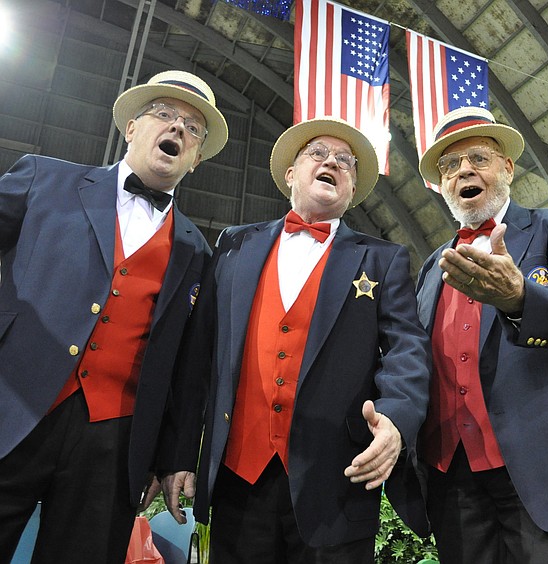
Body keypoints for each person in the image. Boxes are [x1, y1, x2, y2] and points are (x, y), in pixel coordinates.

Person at [157, 116, 431, 563]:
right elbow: (197, 361)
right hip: (237, 481)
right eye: (318, 154)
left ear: (352, 187)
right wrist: (180, 453)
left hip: (337, 484)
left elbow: (407, 349)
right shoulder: (233, 246)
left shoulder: (383, 259)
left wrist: (397, 419)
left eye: (345, 161)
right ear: (290, 173)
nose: (333, 163)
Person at [0, 70, 227, 562]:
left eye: (192, 127)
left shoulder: (198, 251)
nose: (178, 129)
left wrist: (173, 457)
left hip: (115, 441)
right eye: (164, 115)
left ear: (197, 157)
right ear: (131, 128)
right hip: (11, 408)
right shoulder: (43, 178)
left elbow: (190, 372)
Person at [415, 106, 548, 563]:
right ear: (442, 185)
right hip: (455, 479)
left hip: (545, 466)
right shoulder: (432, 267)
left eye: (478, 158)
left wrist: (520, 299)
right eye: (450, 165)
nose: (464, 170)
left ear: (507, 168)